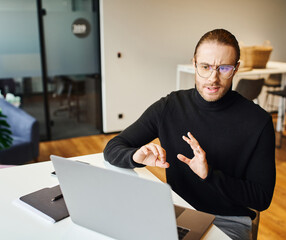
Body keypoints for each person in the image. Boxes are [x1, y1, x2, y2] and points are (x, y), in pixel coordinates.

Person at [103, 29, 276, 240]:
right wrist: (134, 156)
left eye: (224, 68)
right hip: (176, 213)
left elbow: (262, 198)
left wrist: (209, 175)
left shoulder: (258, 121)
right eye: (205, 67)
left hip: (227, 221)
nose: (213, 78)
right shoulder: (169, 107)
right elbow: (113, 147)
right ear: (194, 64)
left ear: (236, 68)